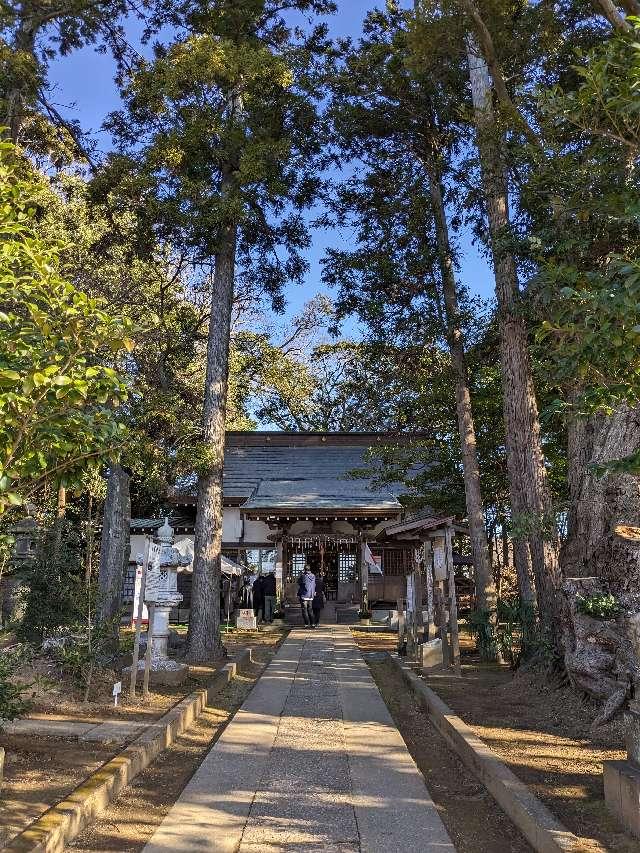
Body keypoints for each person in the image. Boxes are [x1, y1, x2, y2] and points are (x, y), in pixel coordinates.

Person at [297, 563, 316, 629]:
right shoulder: (313, 576)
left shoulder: (303, 576)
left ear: (304, 569)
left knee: (304, 610)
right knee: (310, 610)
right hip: (310, 595)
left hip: (304, 595)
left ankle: (306, 624)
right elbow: (314, 585)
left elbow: (299, 582)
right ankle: (313, 624)